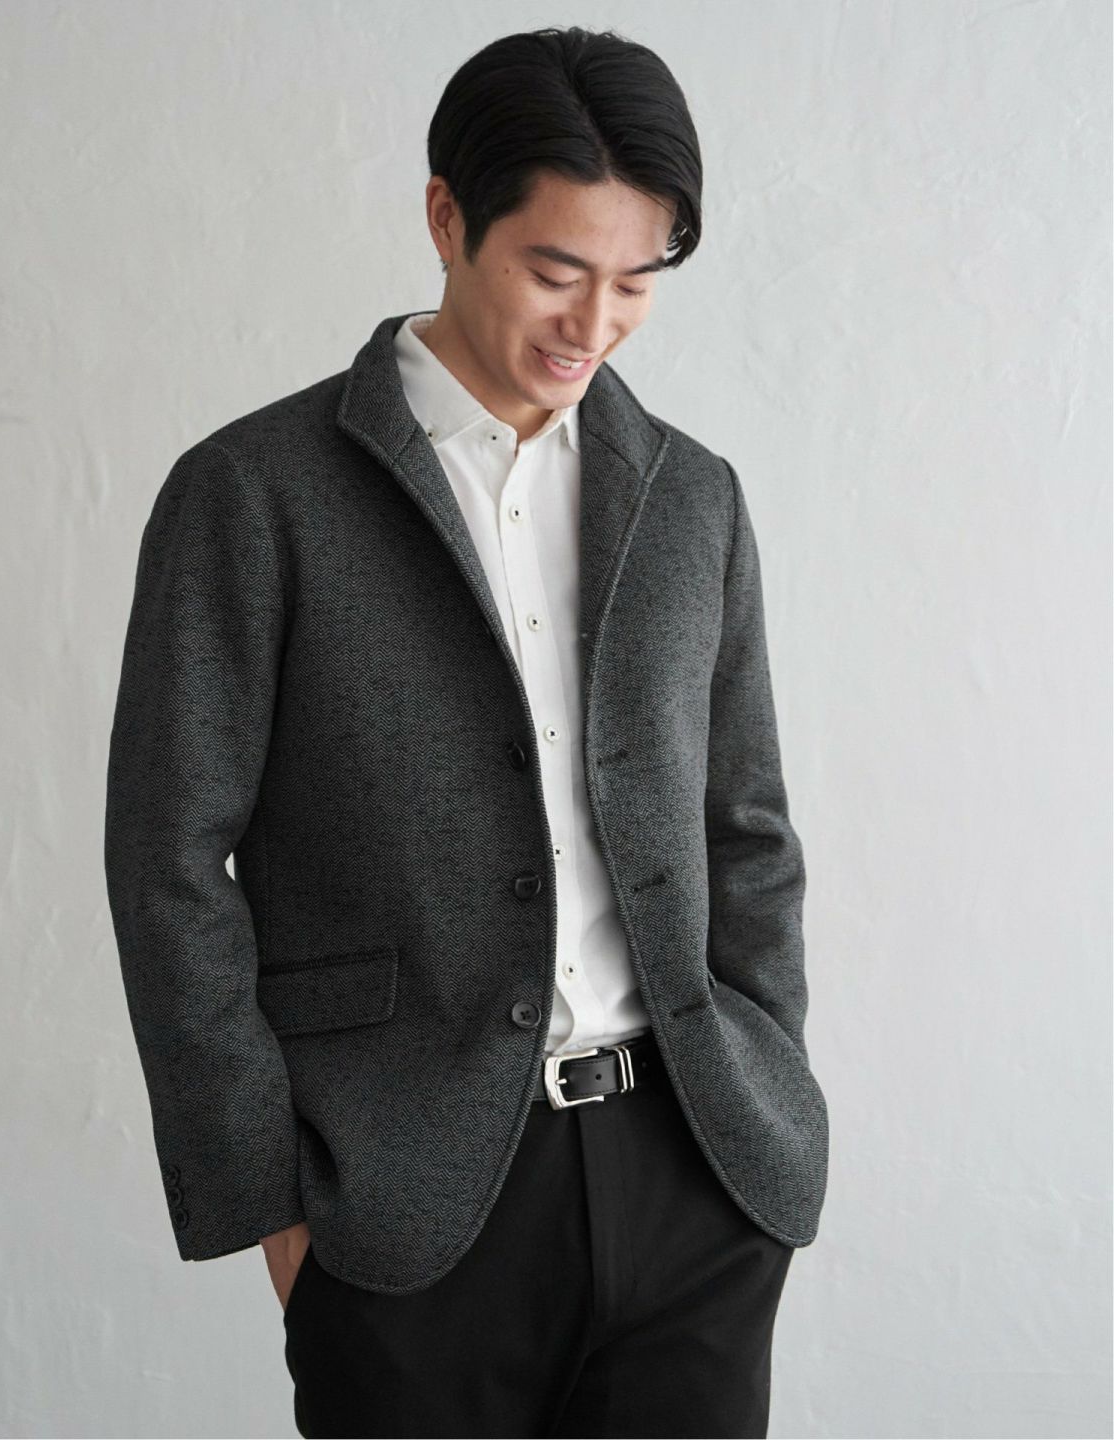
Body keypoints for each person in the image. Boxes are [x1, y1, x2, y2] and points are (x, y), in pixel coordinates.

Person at [104, 24, 829, 1440]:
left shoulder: (694, 499)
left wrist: (767, 1102)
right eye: (556, 271)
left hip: (693, 1183)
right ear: (447, 218)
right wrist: (272, 1207)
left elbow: (746, 829)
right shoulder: (254, 494)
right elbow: (168, 859)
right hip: (406, 1210)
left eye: (637, 282)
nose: (594, 323)